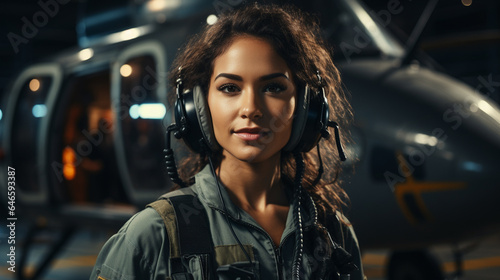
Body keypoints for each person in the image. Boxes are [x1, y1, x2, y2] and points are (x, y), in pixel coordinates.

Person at [90, 3, 364, 280]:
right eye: (230, 88)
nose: (251, 108)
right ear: (197, 107)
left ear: (308, 108)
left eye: (273, 87)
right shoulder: (153, 236)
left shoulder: (333, 233)